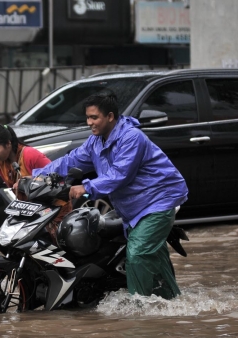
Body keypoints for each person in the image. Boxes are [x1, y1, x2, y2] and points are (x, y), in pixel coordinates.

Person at [32, 91, 188, 299]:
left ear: (110, 117)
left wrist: (85, 187)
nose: (89, 122)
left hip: (158, 199)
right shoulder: (96, 142)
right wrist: (36, 177)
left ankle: (138, 311)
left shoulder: (132, 138)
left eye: (94, 117)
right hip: (133, 206)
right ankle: (174, 304)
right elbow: (70, 160)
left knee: (138, 254)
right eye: (87, 117)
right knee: (156, 260)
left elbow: (119, 174)